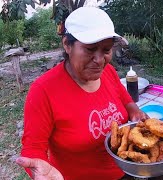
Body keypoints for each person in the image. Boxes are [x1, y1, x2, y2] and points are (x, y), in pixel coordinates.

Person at [15, 7, 149, 179]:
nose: (100, 60)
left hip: (125, 172)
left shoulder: (109, 72)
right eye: (90, 49)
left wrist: (134, 110)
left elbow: (124, 98)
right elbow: (33, 148)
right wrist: (39, 171)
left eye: (106, 50)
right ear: (67, 45)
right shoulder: (43, 90)